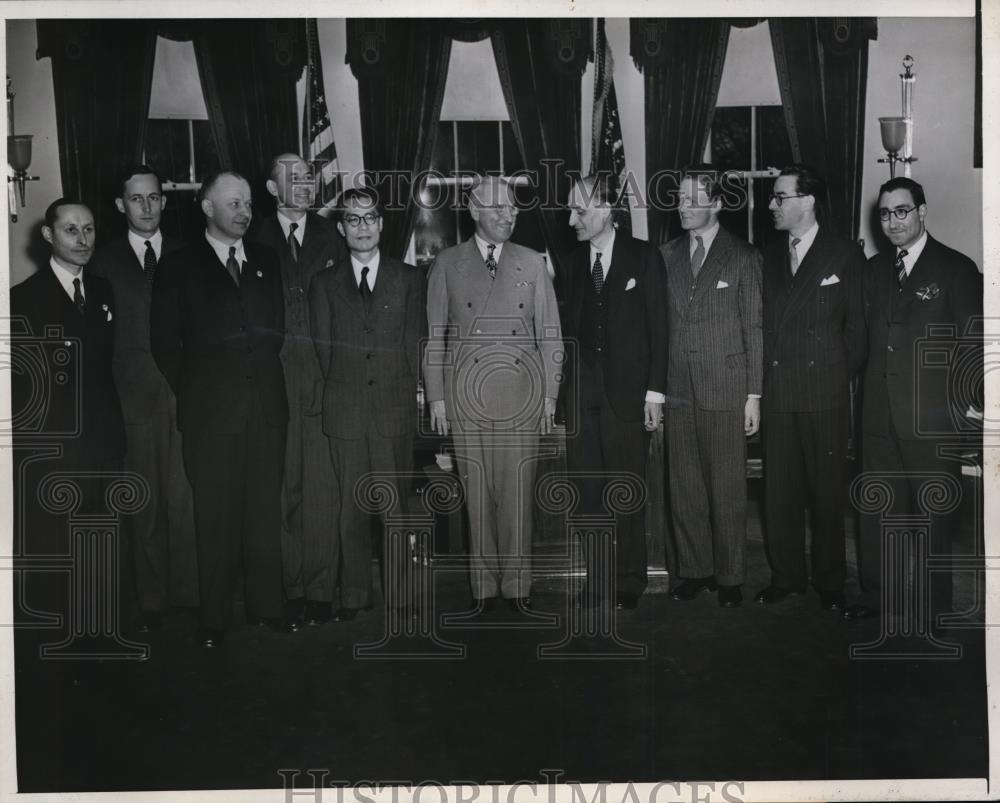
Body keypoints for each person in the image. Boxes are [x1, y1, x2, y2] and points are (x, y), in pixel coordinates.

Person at [151, 170, 291, 647]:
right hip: (210, 416)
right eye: (234, 203)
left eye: (248, 203)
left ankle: (267, 607)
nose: (244, 212)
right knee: (214, 518)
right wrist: (199, 389)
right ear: (207, 208)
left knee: (264, 514)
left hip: (266, 411)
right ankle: (213, 619)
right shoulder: (178, 266)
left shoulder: (266, 260)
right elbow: (164, 343)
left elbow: (276, 331)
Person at [423, 176, 561, 612]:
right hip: (466, 398)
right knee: (477, 495)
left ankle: (517, 586)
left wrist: (550, 396)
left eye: (513, 208)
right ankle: (483, 587)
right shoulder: (447, 263)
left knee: (517, 494)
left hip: (521, 395)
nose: (508, 214)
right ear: (474, 210)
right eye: (498, 207)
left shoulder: (532, 262)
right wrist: (438, 398)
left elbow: (551, 335)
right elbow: (435, 337)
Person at [848, 176, 982, 621]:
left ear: (922, 212)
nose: (893, 222)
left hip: (931, 418)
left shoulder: (956, 268)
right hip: (877, 413)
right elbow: (862, 341)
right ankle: (876, 595)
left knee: (931, 517)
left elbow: (973, 345)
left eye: (902, 211)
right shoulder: (872, 270)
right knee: (877, 509)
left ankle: (932, 606)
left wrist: (959, 409)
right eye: (885, 214)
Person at [309, 187, 425, 621]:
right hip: (346, 411)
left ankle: (401, 595)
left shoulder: (409, 279)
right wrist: (350, 390)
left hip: (393, 411)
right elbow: (323, 350)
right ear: (341, 229)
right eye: (352, 219)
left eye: (370, 217)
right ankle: (354, 594)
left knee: (396, 509)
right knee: (351, 510)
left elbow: (415, 343)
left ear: (382, 224)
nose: (362, 227)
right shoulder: (324, 283)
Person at [89, 166, 198, 631]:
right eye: (137, 199)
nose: (147, 206)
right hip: (132, 398)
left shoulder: (190, 254)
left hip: (186, 395)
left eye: (153, 197)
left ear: (164, 201)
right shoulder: (102, 262)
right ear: (121, 206)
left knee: (186, 498)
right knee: (145, 501)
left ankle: (190, 594)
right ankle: (152, 601)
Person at [11, 199, 128, 621]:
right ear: (48, 235)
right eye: (71, 230)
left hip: (104, 444)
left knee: (104, 543)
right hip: (57, 452)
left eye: (89, 229)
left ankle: (103, 630)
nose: (83, 240)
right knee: (60, 550)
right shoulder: (22, 300)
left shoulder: (102, 292)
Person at [757, 164, 865, 613]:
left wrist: (835, 379)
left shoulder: (845, 254)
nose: (771, 205)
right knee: (779, 493)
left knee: (826, 495)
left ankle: (830, 582)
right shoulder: (768, 255)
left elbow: (858, 330)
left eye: (780, 197)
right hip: (779, 391)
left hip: (825, 393)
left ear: (808, 201)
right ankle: (786, 577)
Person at [560, 174, 667, 611]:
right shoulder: (570, 264)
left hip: (628, 397)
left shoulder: (644, 257)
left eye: (579, 210)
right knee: (588, 496)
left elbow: (660, 328)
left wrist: (655, 394)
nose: (572, 220)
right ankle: (597, 579)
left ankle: (629, 580)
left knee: (626, 491)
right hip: (581, 398)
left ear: (606, 209)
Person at [660, 166, 762, 608]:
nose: (682, 207)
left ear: (717, 203)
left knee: (727, 490)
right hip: (678, 388)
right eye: (679, 199)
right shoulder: (665, 256)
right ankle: (694, 571)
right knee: (685, 489)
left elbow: (754, 328)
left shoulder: (744, 257)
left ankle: (730, 576)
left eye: (692, 199)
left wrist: (753, 395)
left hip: (726, 389)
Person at [253, 153, 344, 626]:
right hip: (271, 380)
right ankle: (290, 588)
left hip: (325, 376)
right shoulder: (251, 238)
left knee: (323, 489)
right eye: (294, 178)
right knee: (281, 488)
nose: (306, 183)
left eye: (309, 176)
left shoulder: (334, 236)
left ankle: (321, 590)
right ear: (272, 189)